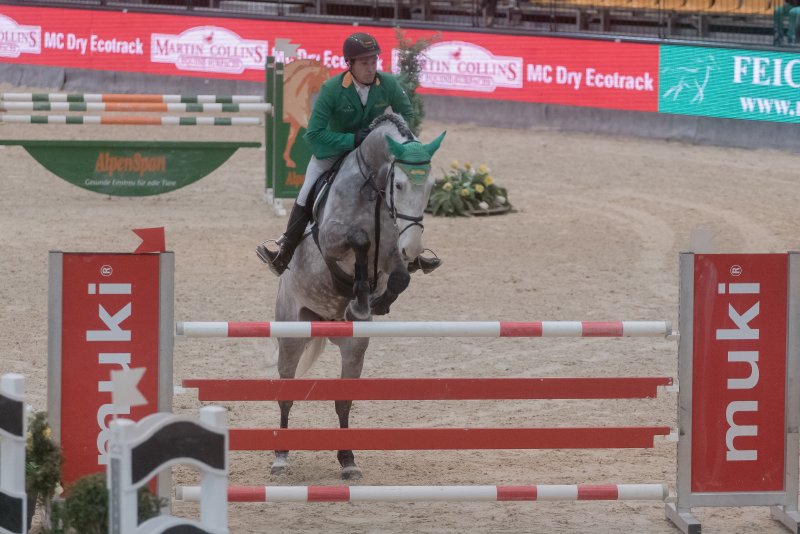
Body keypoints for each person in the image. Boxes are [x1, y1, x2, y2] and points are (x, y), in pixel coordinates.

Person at [257, 32, 441, 277]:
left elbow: (407, 116)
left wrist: (390, 136)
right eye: (364, 63)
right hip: (335, 152)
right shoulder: (332, 89)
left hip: (375, 155)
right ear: (349, 64)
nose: (370, 68)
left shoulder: (388, 84)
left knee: (402, 188)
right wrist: (351, 139)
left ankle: (412, 253)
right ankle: (285, 250)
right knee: (307, 190)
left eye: (374, 61)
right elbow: (314, 134)